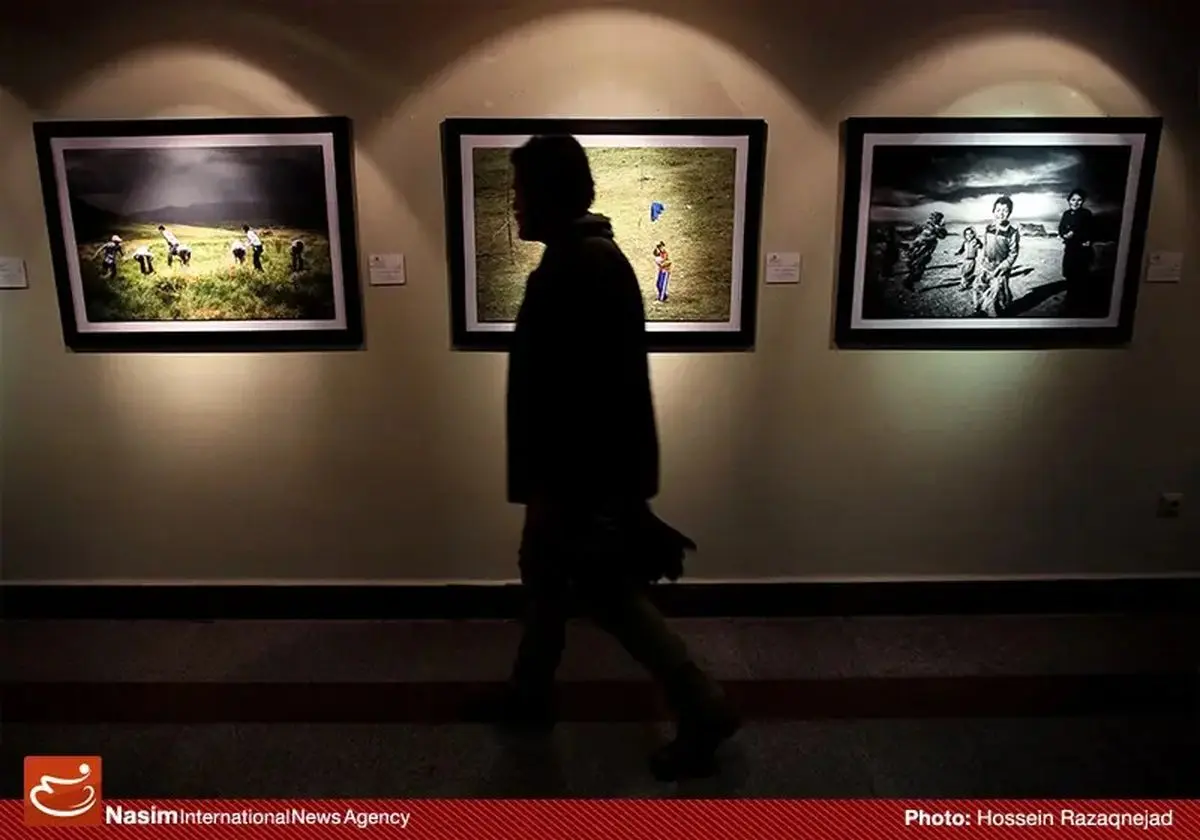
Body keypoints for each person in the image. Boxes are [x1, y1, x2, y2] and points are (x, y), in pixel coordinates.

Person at [481, 133, 738, 782]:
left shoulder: (582, 265)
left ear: (546, 192)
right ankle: (529, 695)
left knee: (608, 594)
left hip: (574, 476)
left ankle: (700, 703)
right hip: (574, 473)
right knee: (543, 580)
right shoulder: (583, 257)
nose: (513, 205)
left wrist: (571, 490)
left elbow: (588, 392)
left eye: (518, 191)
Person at [977, 195, 1021, 317]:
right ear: (993, 211)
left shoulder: (1012, 232)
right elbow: (985, 244)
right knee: (983, 287)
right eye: (998, 210)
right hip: (986, 264)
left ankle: (997, 314)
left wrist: (1004, 266)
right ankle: (983, 308)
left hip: (1001, 267)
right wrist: (983, 258)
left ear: (1010, 213)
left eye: (1005, 211)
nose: (1001, 213)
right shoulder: (988, 228)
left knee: (999, 290)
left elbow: (1013, 253)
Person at [1058, 189, 1094, 312]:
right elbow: (1061, 228)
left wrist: (1076, 235)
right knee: (1069, 273)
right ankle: (1070, 298)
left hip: (1082, 250)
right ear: (1069, 201)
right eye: (1073, 200)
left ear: (1083, 201)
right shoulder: (1066, 214)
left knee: (1081, 276)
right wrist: (1064, 235)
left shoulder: (1086, 214)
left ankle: (1079, 303)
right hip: (1070, 249)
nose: (1076, 202)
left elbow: (1090, 230)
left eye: (1079, 200)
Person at [903, 211, 947, 288]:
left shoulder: (937, 227)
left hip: (926, 250)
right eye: (937, 218)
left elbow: (942, 236)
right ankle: (910, 281)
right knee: (916, 264)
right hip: (919, 248)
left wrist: (939, 228)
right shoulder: (926, 226)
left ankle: (911, 281)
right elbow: (915, 232)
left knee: (920, 264)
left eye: (938, 218)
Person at [955, 226, 983, 312]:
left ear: (974, 234)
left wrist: (979, 246)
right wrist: (958, 252)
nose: (969, 235)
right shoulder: (965, 242)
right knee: (963, 272)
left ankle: (964, 285)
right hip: (965, 260)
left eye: (970, 234)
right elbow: (962, 249)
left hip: (971, 260)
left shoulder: (976, 241)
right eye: (967, 234)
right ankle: (965, 283)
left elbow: (981, 246)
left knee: (966, 273)